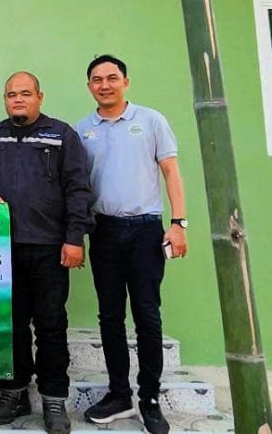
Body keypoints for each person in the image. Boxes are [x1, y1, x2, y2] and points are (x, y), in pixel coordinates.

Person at [0, 71, 93, 434]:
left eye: (25, 93)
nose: (18, 99)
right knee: (12, 325)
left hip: (49, 247)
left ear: (40, 96)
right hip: (2, 249)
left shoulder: (62, 135)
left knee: (51, 325)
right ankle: (14, 393)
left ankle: (54, 399)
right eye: (11, 95)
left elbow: (78, 188)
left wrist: (75, 238)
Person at [75, 55, 187, 434]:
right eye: (97, 79)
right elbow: (77, 186)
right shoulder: (82, 130)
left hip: (145, 231)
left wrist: (178, 224)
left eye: (112, 78)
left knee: (147, 315)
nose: (104, 85)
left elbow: (171, 172)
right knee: (110, 316)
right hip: (103, 232)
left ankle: (149, 398)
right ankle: (119, 394)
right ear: (89, 86)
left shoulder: (151, 121)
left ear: (126, 81)